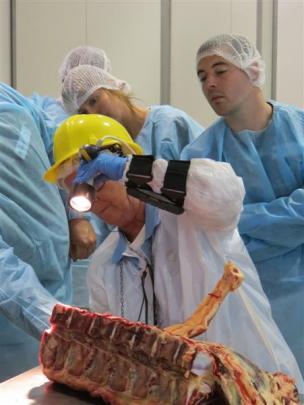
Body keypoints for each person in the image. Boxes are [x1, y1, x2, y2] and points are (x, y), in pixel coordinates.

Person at [44, 114, 304, 392]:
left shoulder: (194, 218)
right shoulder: (105, 266)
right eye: (80, 191)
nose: (93, 201)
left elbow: (225, 191)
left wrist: (131, 169)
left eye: (97, 182)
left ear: (125, 165)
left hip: (256, 389)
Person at [180, 33, 304, 376]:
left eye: (220, 70)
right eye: (202, 76)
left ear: (253, 70)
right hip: (245, 299)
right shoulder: (200, 155)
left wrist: (239, 218)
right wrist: (287, 224)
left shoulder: (300, 129)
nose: (210, 84)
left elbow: (228, 226)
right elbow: (208, 237)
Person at [0, 83, 72, 381]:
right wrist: (59, 323)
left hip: (62, 268)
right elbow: (5, 274)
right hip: (15, 320)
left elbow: (55, 142)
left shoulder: (8, 97)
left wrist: (76, 215)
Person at [61, 64, 204, 161]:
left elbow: (212, 175)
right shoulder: (108, 152)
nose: (93, 114)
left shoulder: (169, 124)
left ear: (114, 89)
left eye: (94, 100)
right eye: (84, 113)